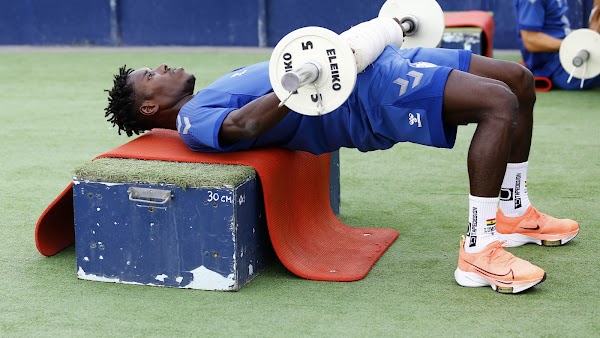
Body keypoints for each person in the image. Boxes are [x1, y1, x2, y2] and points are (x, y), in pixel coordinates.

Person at [104, 16, 579, 294]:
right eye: (151, 73)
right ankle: (478, 249)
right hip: (369, 100)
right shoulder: (192, 121)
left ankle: (514, 210)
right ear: (150, 106)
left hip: (378, 66)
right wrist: (302, 79)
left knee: (516, 80)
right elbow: (244, 126)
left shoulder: (213, 87)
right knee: (498, 104)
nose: (162, 66)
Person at [514, 0, 600, 89]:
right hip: (558, 67)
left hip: (568, 56)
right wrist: (574, 43)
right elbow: (531, 40)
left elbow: (559, 31)